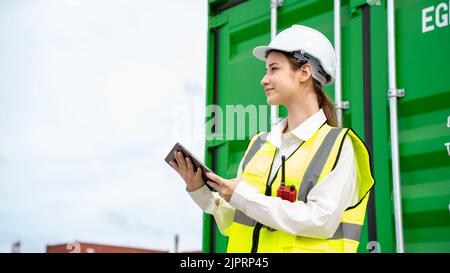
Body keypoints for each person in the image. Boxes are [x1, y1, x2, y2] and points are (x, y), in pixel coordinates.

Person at [169, 25, 374, 253]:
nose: (264, 80)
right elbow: (235, 224)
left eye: (273, 69)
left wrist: (244, 196)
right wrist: (202, 192)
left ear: (304, 73)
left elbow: (321, 221)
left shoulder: (339, 146)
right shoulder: (259, 144)